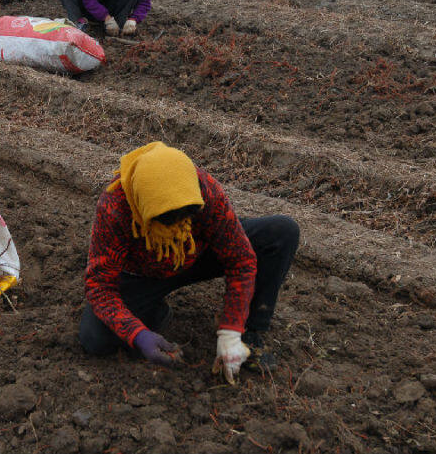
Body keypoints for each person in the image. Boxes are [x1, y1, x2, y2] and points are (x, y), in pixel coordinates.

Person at [79, 142, 300, 384]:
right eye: (167, 221)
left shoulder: (203, 190)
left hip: (198, 253)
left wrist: (231, 331)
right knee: (95, 340)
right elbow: (99, 287)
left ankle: (251, 334)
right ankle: (154, 312)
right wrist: (139, 335)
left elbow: (241, 260)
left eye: (185, 217)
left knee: (281, 232)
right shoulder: (115, 206)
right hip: (144, 273)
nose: (176, 225)